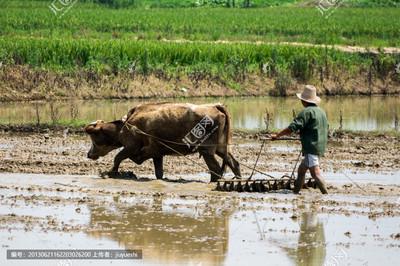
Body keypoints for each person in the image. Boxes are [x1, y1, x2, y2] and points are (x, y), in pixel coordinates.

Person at [271, 85, 329, 194]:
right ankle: (295, 193)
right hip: (319, 146)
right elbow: (320, 127)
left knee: (315, 173)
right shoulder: (321, 112)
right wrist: (304, 133)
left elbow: (292, 128)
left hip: (311, 147)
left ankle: (326, 195)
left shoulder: (306, 112)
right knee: (301, 170)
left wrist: (277, 136)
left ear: (304, 101)